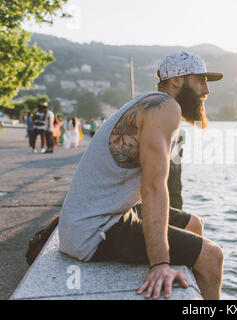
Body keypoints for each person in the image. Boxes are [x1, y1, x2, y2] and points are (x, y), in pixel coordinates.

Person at [58, 52, 224, 300]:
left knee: (194, 224)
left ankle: (190, 290)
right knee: (213, 256)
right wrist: (159, 263)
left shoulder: (148, 103)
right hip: (94, 232)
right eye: (200, 80)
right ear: (177, 80)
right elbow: (153, 187)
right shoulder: (166, 107)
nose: (206, 89)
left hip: (96, 219)